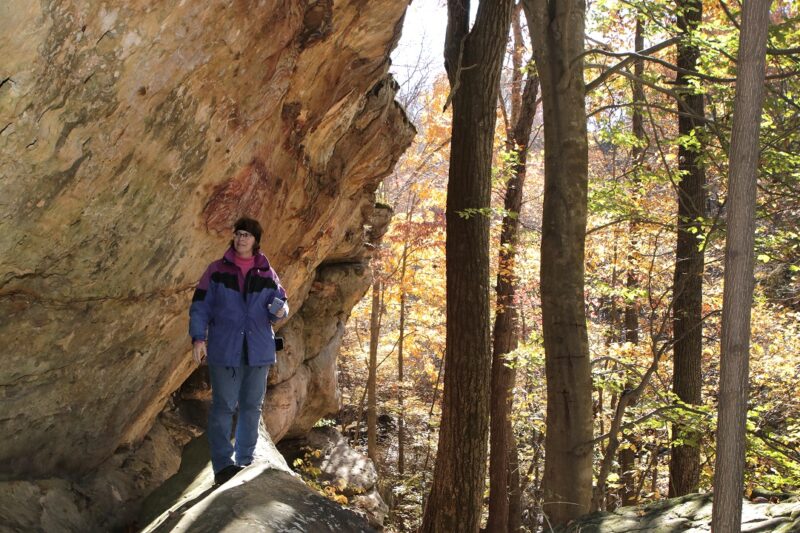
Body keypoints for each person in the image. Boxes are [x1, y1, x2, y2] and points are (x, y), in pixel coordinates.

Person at [189, 217, 289, 485]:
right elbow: (200, 305)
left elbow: (281, 304)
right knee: (223, 407)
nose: (241, 239)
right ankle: (223, 466)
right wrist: (198, 338)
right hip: (225, 349)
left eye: (247, 235)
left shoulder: (266, 272)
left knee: (251, 407)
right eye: (238, 234)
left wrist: (280, 310)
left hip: (258, 350)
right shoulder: (217, 270)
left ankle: (244, 460)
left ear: (256, 240)